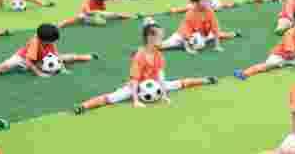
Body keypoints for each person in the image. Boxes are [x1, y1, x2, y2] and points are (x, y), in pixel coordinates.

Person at [75, 24, 217, 114]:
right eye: (160, 37)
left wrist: (164, 94)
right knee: (112, 98)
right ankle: (84, 106)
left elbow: (161, 75)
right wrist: (136, 100)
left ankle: (206, 80)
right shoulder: (140, 55)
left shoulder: (159, 54)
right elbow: (135, 79)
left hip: (154, 83)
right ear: (150, 38)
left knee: (179, 84)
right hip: (136, 86)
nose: (162, 39)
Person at [0, 23, 96, 83]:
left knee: (67, 57)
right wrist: (39, 73)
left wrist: (62, 68)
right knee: (4, 67)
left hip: (40, 59)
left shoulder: (50, 43)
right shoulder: (35, 42)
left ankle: (85, 56)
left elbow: (56, 55)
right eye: (50, 41)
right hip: (22, 58)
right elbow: (28, 61)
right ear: (42, 39)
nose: (52, 43)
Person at [235, 8, 295, 81]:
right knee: (269, 65)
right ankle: (244, 73)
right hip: (281, 57)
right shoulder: (289, 35)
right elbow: (289, 56)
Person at [160, 0, 239, 54]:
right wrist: (188, 48)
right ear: (196, 2)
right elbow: (185, 32)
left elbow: (215, 28)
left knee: (215, 35)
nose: (207, 1)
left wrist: (217, 46)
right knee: (161, 46)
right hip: (182, 36)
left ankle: (233, 34)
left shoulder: (209, 11)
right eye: (204, 0)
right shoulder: (190, 14)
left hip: (201, 35)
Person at [58, 0, 138, 29]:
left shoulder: (101, 1)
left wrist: (116, 0)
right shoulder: (88, 1)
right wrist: (98, 12)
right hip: (87, 16)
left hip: (98, 14)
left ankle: (131, 16)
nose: (103, 1)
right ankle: (61, 24)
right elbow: (88, 12)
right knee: (80, 17)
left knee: (114, 15)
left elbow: (107, 5)